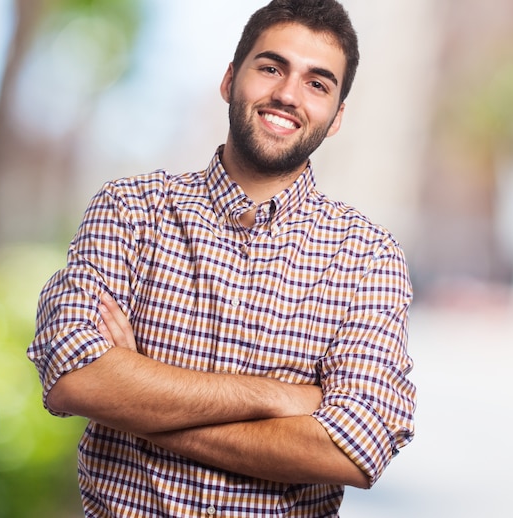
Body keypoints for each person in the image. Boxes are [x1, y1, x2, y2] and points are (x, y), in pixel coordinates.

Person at [28, 0, 416, 516]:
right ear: (230, 79)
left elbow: (355, 447)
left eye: (317, 84)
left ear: (337, 116)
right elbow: (74, 376)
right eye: (271, 68)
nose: (287, 95)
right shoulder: (131, 210)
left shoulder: (368, 256)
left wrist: (136, 402)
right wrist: (279, 397)